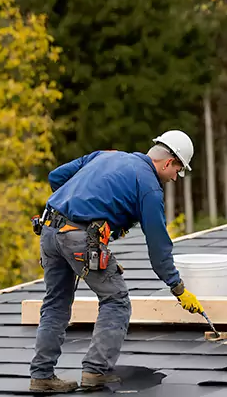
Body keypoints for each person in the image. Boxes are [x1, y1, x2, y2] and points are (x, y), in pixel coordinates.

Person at [28, 130, 205, 392]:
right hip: (77, 240)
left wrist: (88, 206)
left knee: (56, 303)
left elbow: (56, 178)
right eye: (177, 172)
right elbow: (158, 245)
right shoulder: (148, 187)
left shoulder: (105, 156)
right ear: (168, 162)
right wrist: (177, 287)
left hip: (49, 230)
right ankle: (95, 371)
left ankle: (41, 376)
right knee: (116, 300)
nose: (174, 179)